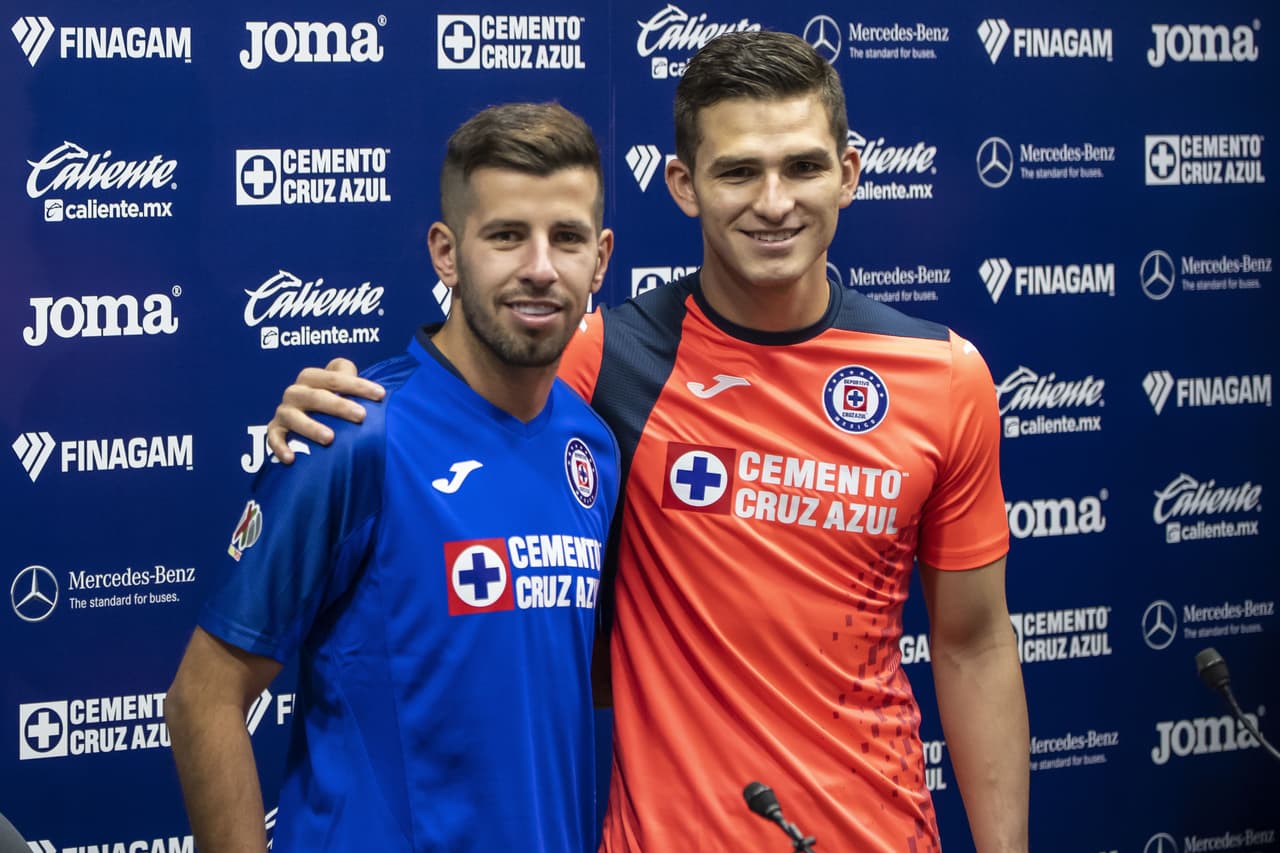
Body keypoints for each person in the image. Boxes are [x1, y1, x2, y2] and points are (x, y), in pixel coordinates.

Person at [268, 32, 1029, 852]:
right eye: (738, 171)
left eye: (803, 167)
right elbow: (451, 405)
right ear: (683, 185)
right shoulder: (601, 357)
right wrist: (330, 406)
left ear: (848, 173)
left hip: (877, 834)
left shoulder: (944, 376)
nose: (774, 203)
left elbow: (975, 643)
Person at [166, 102, 620, 851]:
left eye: (566, 237)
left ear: (599, 258)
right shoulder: (352, 431)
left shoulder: (592, 446)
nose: (540, 267)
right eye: (506, 235)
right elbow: (201, 700)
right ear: (446, 252)